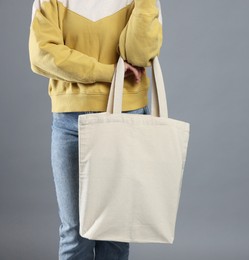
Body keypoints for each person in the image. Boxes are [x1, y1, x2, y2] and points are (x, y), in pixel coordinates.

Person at [28, 0, 163, 259]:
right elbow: (42, 54)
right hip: (71, 122)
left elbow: (138, 54)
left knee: (115, 234)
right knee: (74, 232)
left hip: (126, 118)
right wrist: (110, 72)